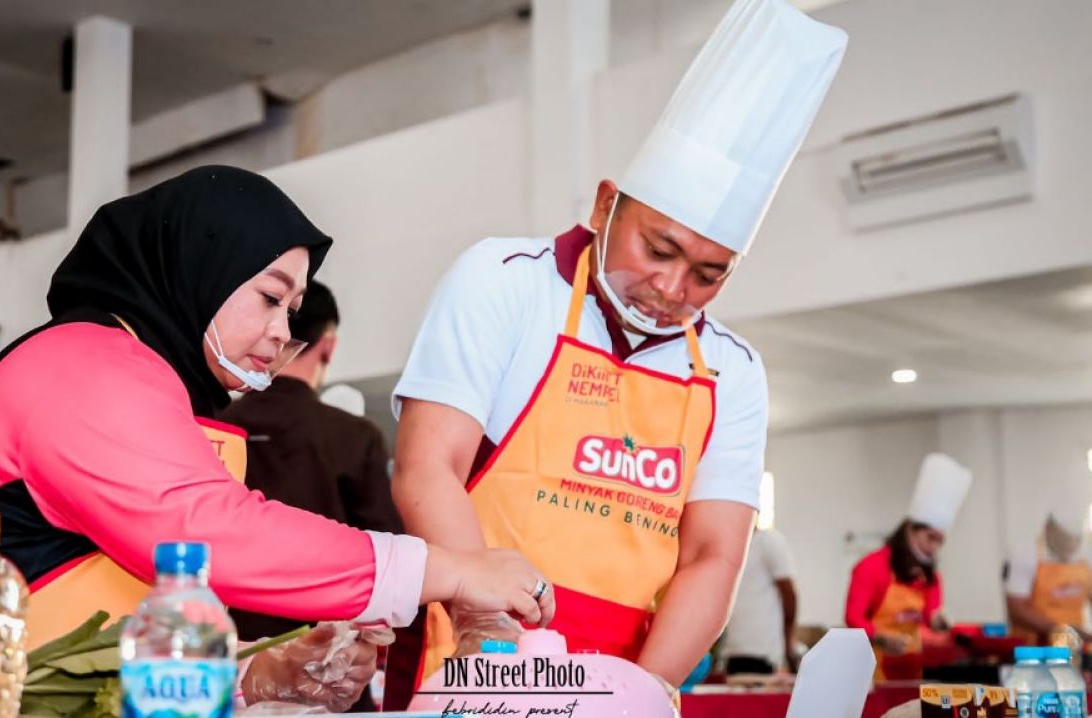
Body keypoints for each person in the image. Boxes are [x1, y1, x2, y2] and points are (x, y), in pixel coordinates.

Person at [0, 166, 553, 710]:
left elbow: (129, 615)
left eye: (294, 309)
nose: (280, 333)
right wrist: (447, 571)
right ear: (198, 265)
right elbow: (200, 528)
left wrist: (258, 673)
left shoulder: (165, 394)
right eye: (268, 296)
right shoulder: (84, 363)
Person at [382, 0, 848, 707]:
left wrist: (646, 690)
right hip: (469, 655)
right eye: (657, 250)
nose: (671, 286)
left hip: (627, 668)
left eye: (708, 273)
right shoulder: (505, 281)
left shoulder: (733, 372)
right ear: (604, 208)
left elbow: (712, 554)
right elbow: (427, 469)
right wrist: (493, 643)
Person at [219, 280, 401, 711]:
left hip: (221, 671)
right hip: (324, 674)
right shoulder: (353, 436)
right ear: (328, 346)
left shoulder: (209, 423)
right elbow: (387, 561)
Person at [845, 453, 972, 681]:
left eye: (939, 542)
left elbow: (930, 616)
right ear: (910, 529)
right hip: (873, 672)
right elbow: (853, 618)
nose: (934, 548)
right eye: (930, 538)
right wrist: (881, 638)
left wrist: (939, 622)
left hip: (912, 671)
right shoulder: (871, 567)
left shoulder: (930, 576)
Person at [1004, 505, 1092, 644]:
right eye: (1063, 539)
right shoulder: (1026, 553)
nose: (1069, 545)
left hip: (1076, 645)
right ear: (1049, 529)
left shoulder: (1087, 554)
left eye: (1075, 539)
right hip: (1032, 646)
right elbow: (1016, 609)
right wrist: (1063, 630)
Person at [721, 527, 798, 675]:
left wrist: (788, 644)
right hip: (733, 650)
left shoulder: (769, 541)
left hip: (763, 653)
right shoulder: (729, 544)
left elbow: (789, 595)